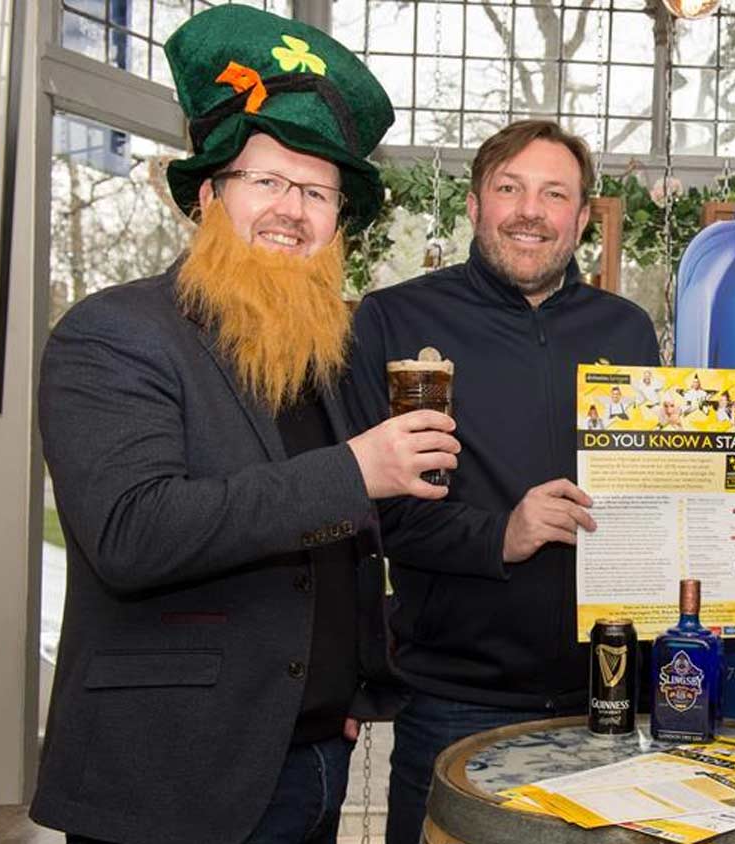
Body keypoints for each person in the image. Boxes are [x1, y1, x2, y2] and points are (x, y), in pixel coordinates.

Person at [31, 8, 460, 844]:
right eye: (266, 182)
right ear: (208, 197)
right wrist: (355, 469)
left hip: (311, 761)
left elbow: (336, 550)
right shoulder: (114, 332)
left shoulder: (322, 358)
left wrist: (347, 687)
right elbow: (133, 532)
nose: (291, 211)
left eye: (317, 192)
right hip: (172, 778)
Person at [341, 119, 660, 844]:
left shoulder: (628, 331)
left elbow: (655, 490)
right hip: (456, 699)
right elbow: (369, 508)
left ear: (581, 219)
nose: (530, 210)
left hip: (604, 699)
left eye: (554, 194)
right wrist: (503, 534)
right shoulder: (396, 321)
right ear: (476, 205)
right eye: (509, 188)